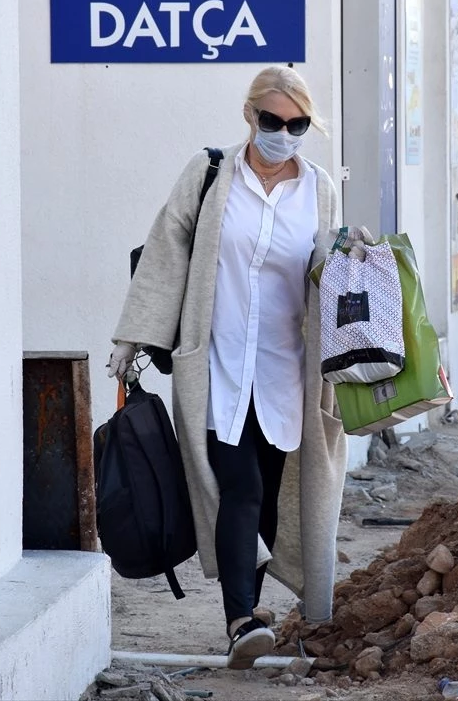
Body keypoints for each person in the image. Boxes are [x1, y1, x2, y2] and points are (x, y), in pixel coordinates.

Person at [107, 66, 364, 669]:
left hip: (287, 371)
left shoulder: (319, 189)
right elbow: (168, 249)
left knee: (274, 496)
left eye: (297, 124)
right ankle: (240, 619)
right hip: (217, 364)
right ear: (249, 116)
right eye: (273, 120)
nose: (284, 133)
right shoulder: (211, 173)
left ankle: (284, 608)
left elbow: (328, 272)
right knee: (238, 487)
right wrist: (134, 335)